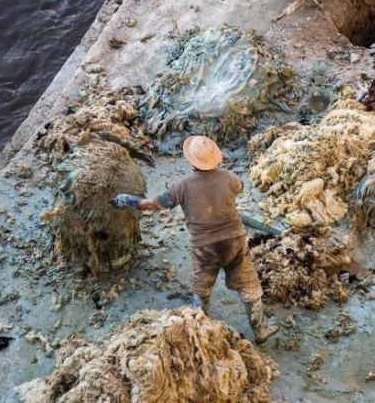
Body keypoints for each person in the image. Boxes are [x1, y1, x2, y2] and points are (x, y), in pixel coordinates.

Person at [111, 135, 279, 344]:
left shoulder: (180, 186)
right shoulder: (229, 177)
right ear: (215, 158)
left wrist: (128, 200)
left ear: (191, 160)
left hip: (205, 246)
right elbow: (240, 187)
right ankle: (260, 328)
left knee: (202, 286)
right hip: (235, 239)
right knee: (247, 282)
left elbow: (152, 205)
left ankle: (200, 324)